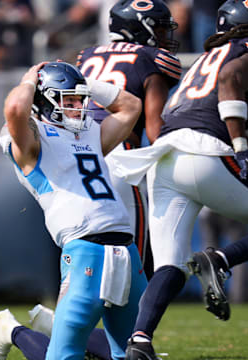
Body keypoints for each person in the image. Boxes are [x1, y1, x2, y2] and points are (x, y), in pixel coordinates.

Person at [107, 1, 248, 359]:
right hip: (204, 153)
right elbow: (231, 82)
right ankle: (221, 259)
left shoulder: (205, 58)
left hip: (164, 157)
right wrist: (243, 146)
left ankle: (139, 341)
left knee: (170, 265)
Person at [0, 61, 147, 360]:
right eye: (67, 100)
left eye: (79, 100)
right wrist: (30, 79)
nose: (77, 107)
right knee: (64, 356)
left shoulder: (90, 134)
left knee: (133, 352)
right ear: (43, 99)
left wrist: (85, 83)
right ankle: (12, 331)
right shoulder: (30, 142)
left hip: (127, 250)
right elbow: (16, 109)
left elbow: (131, 106)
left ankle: (44, 325)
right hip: (85, 249)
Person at [76, 0, 181, 278]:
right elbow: (155, 129)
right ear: (141, 28)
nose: (164, 36)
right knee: (135, 257)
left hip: (76, 155)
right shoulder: (150, 58)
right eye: (159, 29)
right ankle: (138, 322)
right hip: (119, 157)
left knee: (87, 250)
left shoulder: (86, 55)